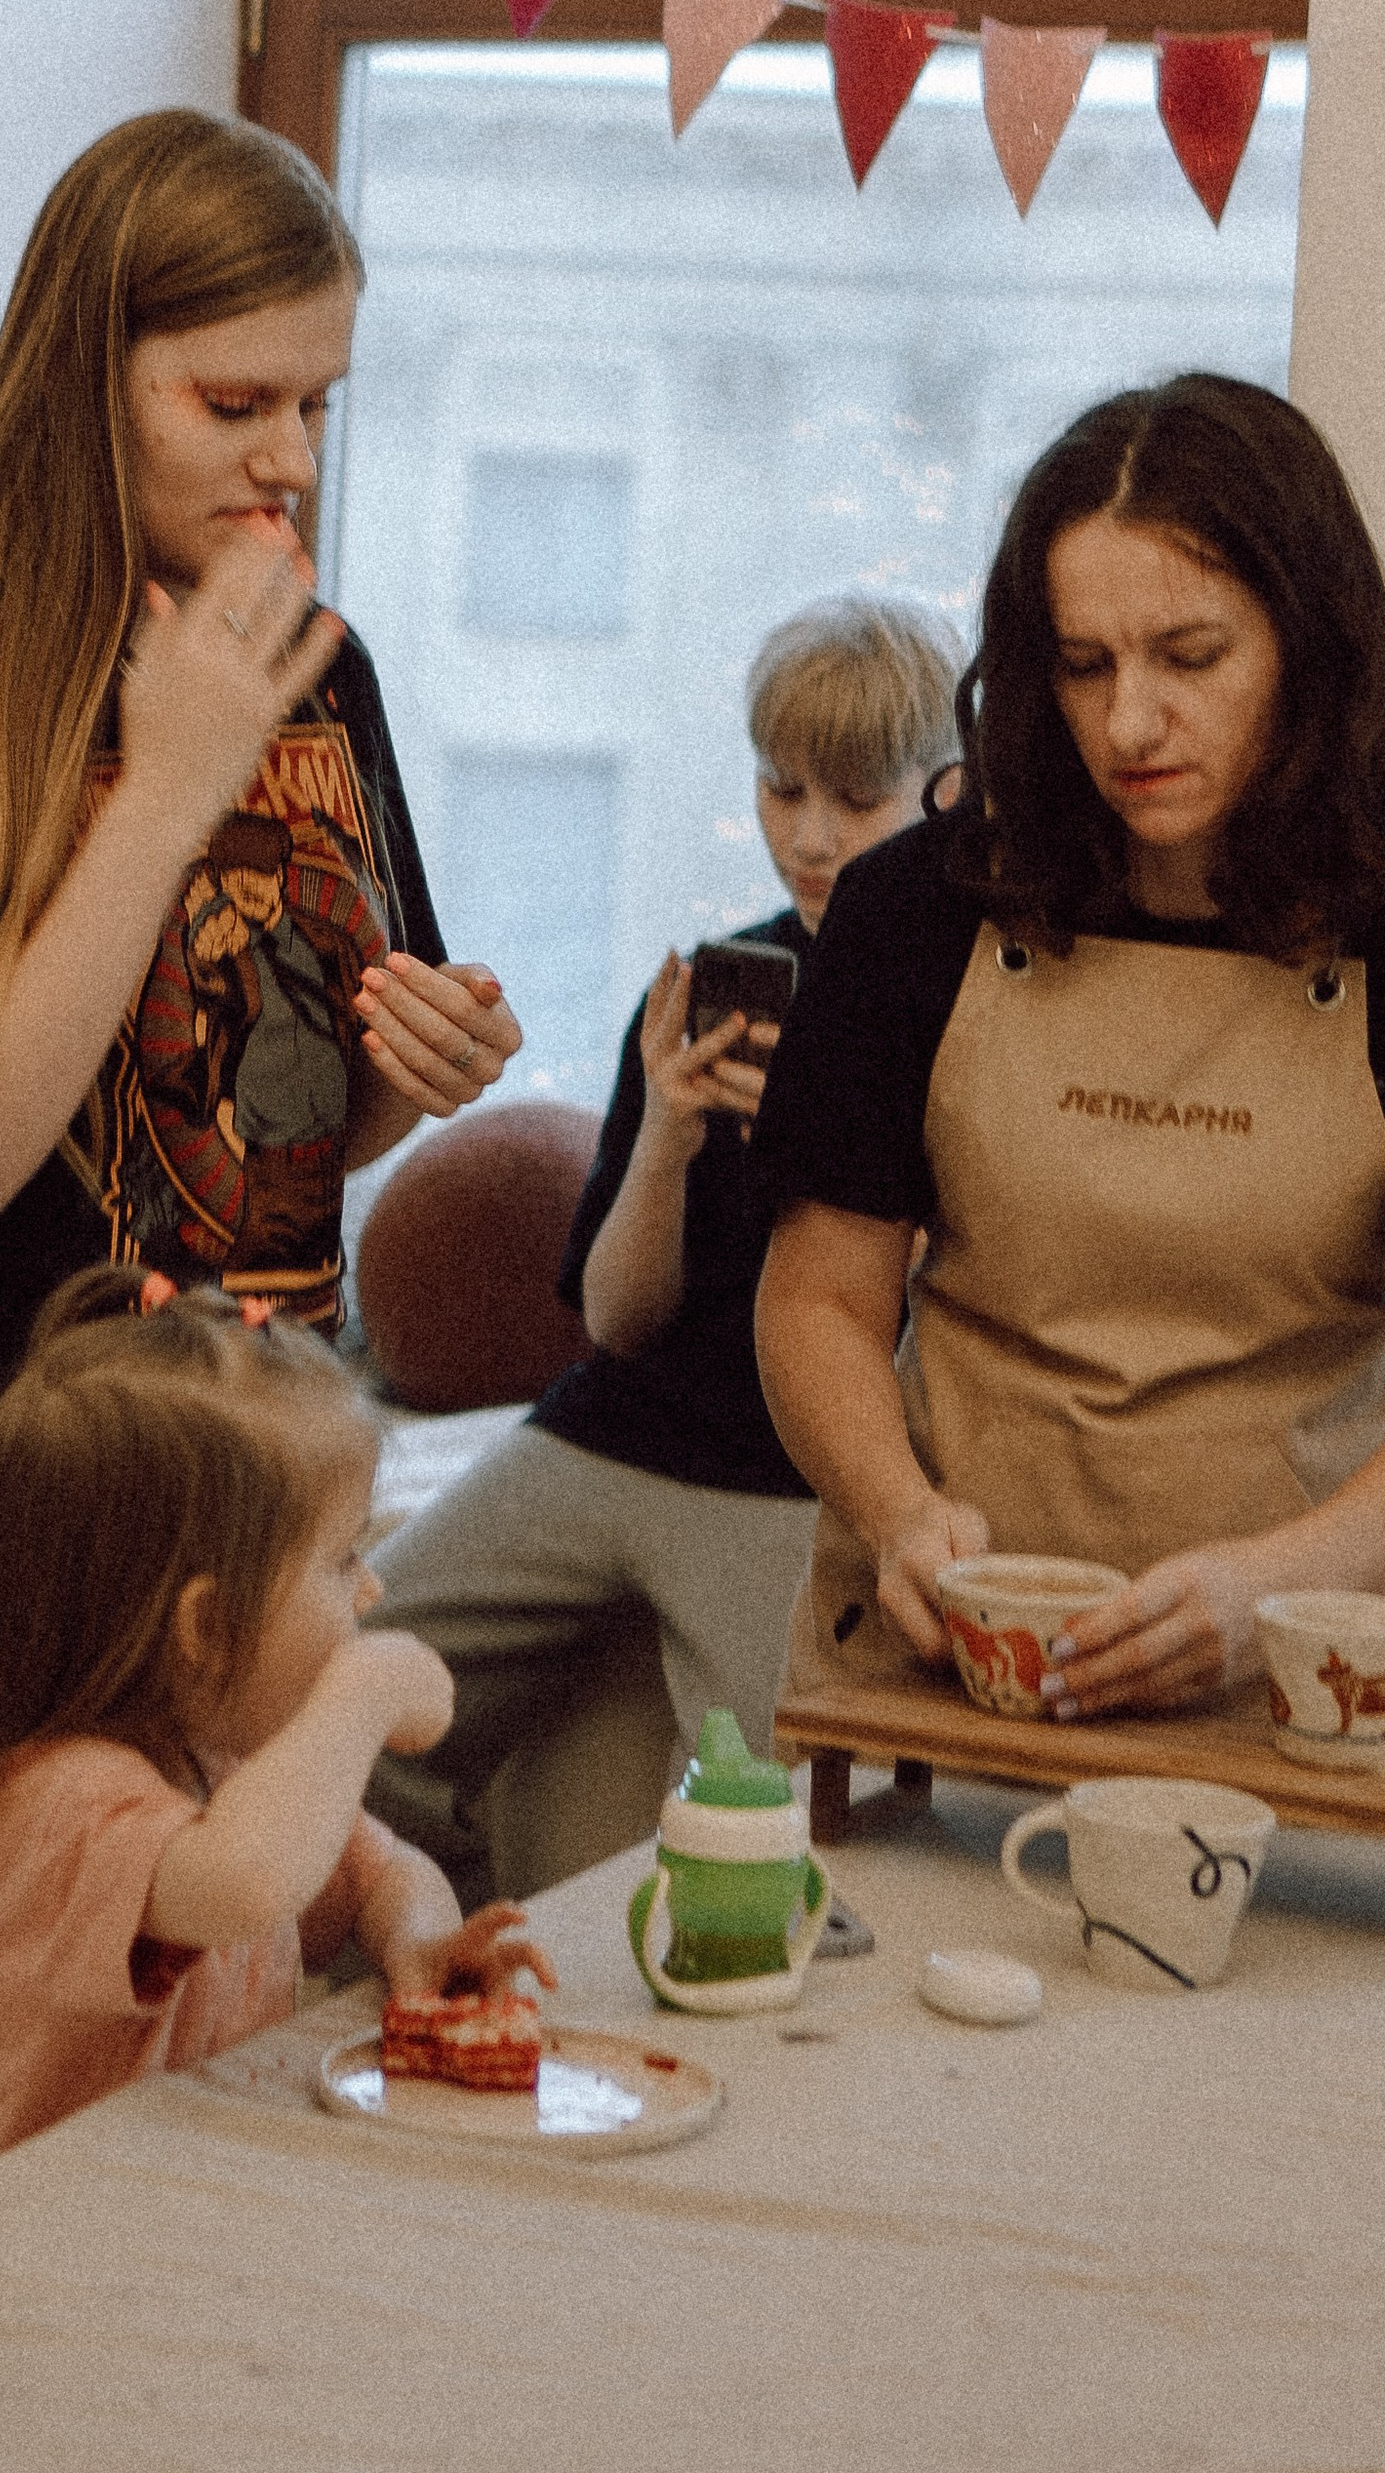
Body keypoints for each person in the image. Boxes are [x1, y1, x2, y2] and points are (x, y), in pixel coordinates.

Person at [0, 111, 522, 2179]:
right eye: (229, 400)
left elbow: (284, 1115)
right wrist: (158, 792)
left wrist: (397, 1070)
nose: (285, 459)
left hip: (237, 1510)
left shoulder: (310, 674)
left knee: (197, 2138)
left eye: (317, 406)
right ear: (80, 379)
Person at [753, 377, 1385, 1720]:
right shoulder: (914, 910)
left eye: (1190, 658)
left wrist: (1276, 1589)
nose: (1131, 723)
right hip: (943, 1659)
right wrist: (896, 1509)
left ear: (1310, 649)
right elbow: (817, 1305)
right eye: (1086, 666)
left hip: (1288, 1670)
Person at [365, 595, 960, 1901]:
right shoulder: (713, 985)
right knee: (334, 1692)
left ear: (948, 792)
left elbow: (933, 1328)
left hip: (787, 1481)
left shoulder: (970, 1006)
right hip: (610, 1432)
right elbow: (619, 1322)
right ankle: (443, 1938)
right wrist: (668, 1137)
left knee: (755, 1846)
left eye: (854, 799)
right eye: (779, 787)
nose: (806, 835)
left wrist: (839, 1138)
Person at [0, 1270, 551, 2165]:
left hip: (206, 2219)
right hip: (83, 2261)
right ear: (205, 1627)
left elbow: (384, 1872)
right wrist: (365, 1691)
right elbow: (247, 1881)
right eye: (342, 1562)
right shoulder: (62, 1804)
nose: (371, 1589)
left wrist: (415, 1943)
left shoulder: (223, 1761)